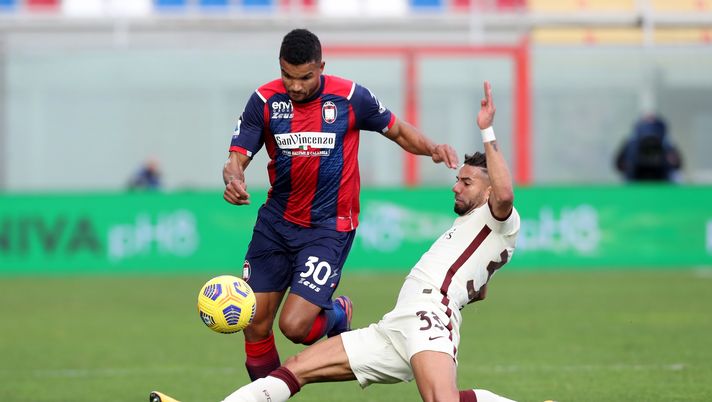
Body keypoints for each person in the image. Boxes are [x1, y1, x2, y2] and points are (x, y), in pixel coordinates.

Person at [148, 80, 519, 402]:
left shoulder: (498, 216)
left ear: (489, 191)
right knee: (296, 368)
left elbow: (504, 197)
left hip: (428, 314)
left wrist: (487, 133)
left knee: (442, 400)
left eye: (467, 182)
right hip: (395, 324)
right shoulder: (477, 229)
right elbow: (480, 290)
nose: (456, 185)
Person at [222, 28, 459, 382]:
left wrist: (432, 148)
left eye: (305, 77)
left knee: (296, 327)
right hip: (275, 224)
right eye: (288, 75)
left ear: (321, 66)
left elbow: (396, 130)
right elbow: (236, 157)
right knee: (254, 323)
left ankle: (337, 313)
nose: (296, 86)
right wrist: (234, 178)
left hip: (327, 228)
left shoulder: (350, 97)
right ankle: (265, 394)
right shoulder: (264, 100)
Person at [614, 114, 683, 182]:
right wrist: (629, 164)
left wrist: (669, 161)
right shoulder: (631, 145)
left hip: (662, 181)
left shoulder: (666, 145)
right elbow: (619, 164)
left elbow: (677, 164)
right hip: (635, 181)